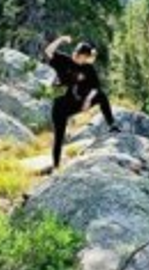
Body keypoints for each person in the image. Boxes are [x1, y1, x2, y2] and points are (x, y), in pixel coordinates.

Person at [44, 34, 119, 169]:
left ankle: (111, 124)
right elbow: (48, 51)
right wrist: (61, 39)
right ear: (77, 53)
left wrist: (88, 100)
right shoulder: (64, 61)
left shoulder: (87, 68)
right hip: (60, 106)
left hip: (75, 103)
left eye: (84, 57)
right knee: (59, 138)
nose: (78, 58)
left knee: (102, 96)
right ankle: (56, 167)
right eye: (77, 54)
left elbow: (96, 87)